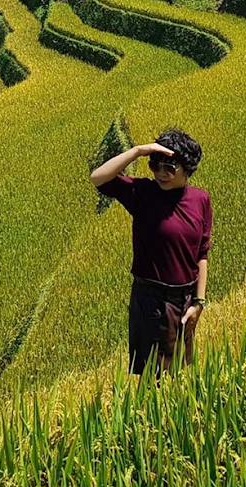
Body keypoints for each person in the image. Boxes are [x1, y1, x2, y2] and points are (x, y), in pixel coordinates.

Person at [89, 128, 212, 376]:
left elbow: (202, 253)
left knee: (180, 371)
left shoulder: (201, 200)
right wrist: (138, 151)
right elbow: (97, 178)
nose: (161, 173)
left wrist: (199, 303)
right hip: (152, 299)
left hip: (186, 299)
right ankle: (147, 414)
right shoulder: (142, 193)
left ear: (188, 168)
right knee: (153, 377)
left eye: (170, 167)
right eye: (155, 166)